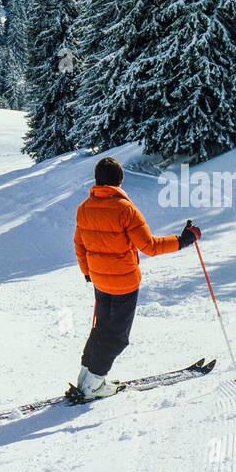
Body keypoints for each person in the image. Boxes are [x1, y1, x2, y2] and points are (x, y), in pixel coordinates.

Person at [70, 156, 201, 401]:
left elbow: (79, 245)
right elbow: (149, 246)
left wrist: (87, 272)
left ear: (98, 181)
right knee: (117, 336)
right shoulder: (125, 210)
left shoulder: (84, 208)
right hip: (124, 284)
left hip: (100, 280)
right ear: (119, 181)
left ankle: (85, 377)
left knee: (101, 330)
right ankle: (94, 385)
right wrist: (184, 240)